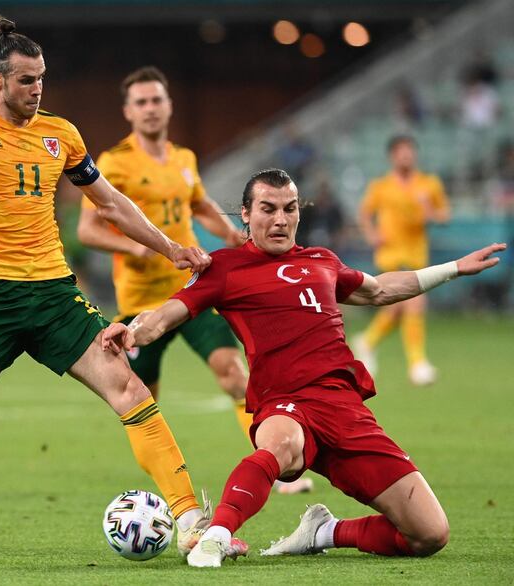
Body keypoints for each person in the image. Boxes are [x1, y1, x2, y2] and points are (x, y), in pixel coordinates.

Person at [0, 13, 245, 558]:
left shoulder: (61, 134)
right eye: (27, 80)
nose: (37, 89)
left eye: (42, 78)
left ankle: (190, 520)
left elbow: (112, 204)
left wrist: (169, 247)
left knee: (131, 390)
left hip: (55, 295)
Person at [102, 168, 505, 567]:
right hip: (285, 402)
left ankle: (322, 532)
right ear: (245, 213)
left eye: (289, 209)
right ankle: (216, 537)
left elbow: (380, 289)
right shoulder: (224, 268)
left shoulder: (322, 261)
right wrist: (132, 332)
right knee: (279, 446)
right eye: (268, 209)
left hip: (346, 410)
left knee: (429, 534)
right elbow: (164, 315)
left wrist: (453, 268)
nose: (280, 219)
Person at [77, 66, 312, 495]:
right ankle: (165, 485)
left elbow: (200, 204)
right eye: (142, 102)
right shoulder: (114, 163)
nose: (151, 109)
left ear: (169, 106)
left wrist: (228, 234)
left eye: (157, 100)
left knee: (233, 374)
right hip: (141, 304)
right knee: (141, 401)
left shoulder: (183, 160)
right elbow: (87, 230)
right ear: (129, 111)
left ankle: (274, 464)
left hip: (193, 290)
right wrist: (135, 248)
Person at [354, 136, 451, 385]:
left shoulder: (429, 184)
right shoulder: (381, 186)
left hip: (417, 253)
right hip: (391, 253)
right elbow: (364, 214)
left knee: (397, 307)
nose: (405, 156)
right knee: (416, 301)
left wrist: (429, 210)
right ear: (392, 157)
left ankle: (367, 342)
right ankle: (417, 364)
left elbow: (444, 216)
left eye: (409, 152)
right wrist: (372, 235)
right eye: (400, 152)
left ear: (415, 155)